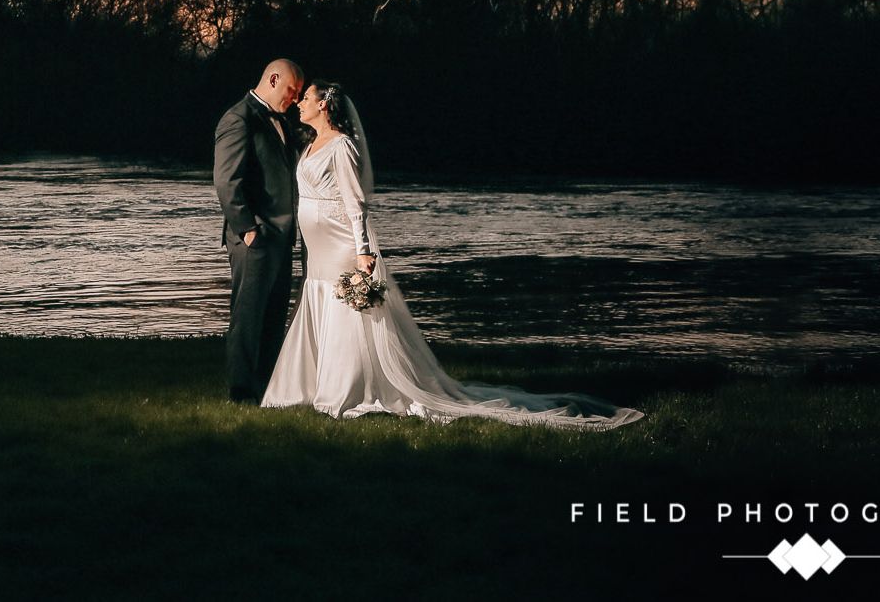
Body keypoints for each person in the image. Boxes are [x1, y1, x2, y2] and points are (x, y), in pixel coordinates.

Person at [262, 81, 644, 429]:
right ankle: (307, 384)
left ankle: (344, 388)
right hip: (316, 245)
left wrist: (363, 252)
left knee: (344, 307)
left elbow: (355, 203)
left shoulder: (342, 145)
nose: (300, 103)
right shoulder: (310, 142)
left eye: (307, 98)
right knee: (317, 299)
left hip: (340, 239)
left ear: (325, 104)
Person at [213, 58, 305, 403]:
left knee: (273, 315)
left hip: (281, 236)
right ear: (274, 78)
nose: (294, 98)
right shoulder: (238, 119)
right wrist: (248, 229)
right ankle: (241, 392)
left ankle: (267, 388)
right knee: (248, 316)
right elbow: (226, 181)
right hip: (255, 236)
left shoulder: (280, 120)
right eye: (291, 90)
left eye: (298, 93)